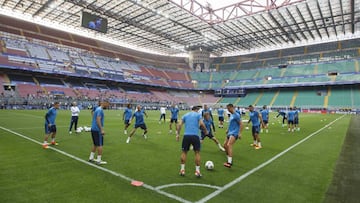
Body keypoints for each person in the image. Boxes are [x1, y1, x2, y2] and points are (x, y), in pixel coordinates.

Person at [176, 105, 208, 177]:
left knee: (184, 152)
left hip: (186, 136)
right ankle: (197, 171)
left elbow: (179, 124)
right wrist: (206, 131)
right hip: (195, 136)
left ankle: (182, 170)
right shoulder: (198, 115)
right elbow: (202, 124)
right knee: (197, 153)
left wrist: (177, 134)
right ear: (196, 110)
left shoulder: (185, 115)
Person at [88, 99, 110, 165]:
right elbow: (98, 120)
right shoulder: (100, 110)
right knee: (100, 145)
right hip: (97, 130)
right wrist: (101, 129)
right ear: (104, 103)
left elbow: (95, 117)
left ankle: (91, 157)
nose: (108, 106)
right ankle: (98, 160)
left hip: (93, 129)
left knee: (95, 144)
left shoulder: (97, 109)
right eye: (108, 104)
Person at [223, 103, 243, 168]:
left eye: (228, 108)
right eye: (227, 109)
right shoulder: (231, 115)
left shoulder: (236, 115)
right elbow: (231, 123)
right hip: (230, 132)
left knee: (229, 145)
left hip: (234, 132)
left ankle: (229, 163)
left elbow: (241, 124)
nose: (228, 110)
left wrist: (239, 133)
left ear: (231, 107)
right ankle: (228, 158)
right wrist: (227, 129)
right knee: (225, 145)